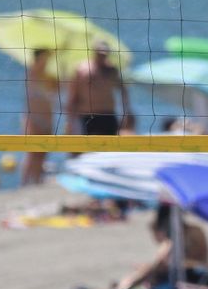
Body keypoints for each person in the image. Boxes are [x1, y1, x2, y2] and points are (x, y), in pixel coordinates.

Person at [110, 205, 208, 289]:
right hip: (190, 272)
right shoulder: (184, 233)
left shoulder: (188, 233)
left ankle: (124, 287)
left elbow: (164, 261)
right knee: (149, 268)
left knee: (151, 269)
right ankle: (124, 286)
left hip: (195, 273)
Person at [65, 42, 133, 138]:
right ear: (94, 52)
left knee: (110, 150)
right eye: (100, 53)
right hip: (88, 116)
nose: (102, 56)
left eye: (104, 53)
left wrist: (126, 112)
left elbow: (123, 90)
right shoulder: (82, 69)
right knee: (89, 150)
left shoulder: (112, 70)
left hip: (108, 115)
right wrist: (70, 121)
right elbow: (73, 96)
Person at [22, 49, 61, 186]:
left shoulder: (49, 77)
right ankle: (24, 183)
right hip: (33, 119)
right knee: (32, 153)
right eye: (45, 58)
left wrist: (61, 63)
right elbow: (38, 66)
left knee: (43, 153)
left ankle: (37, 181)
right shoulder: (33, 72)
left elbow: (59, 88)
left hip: (48, 119)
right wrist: (57, 52)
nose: (47, 61)